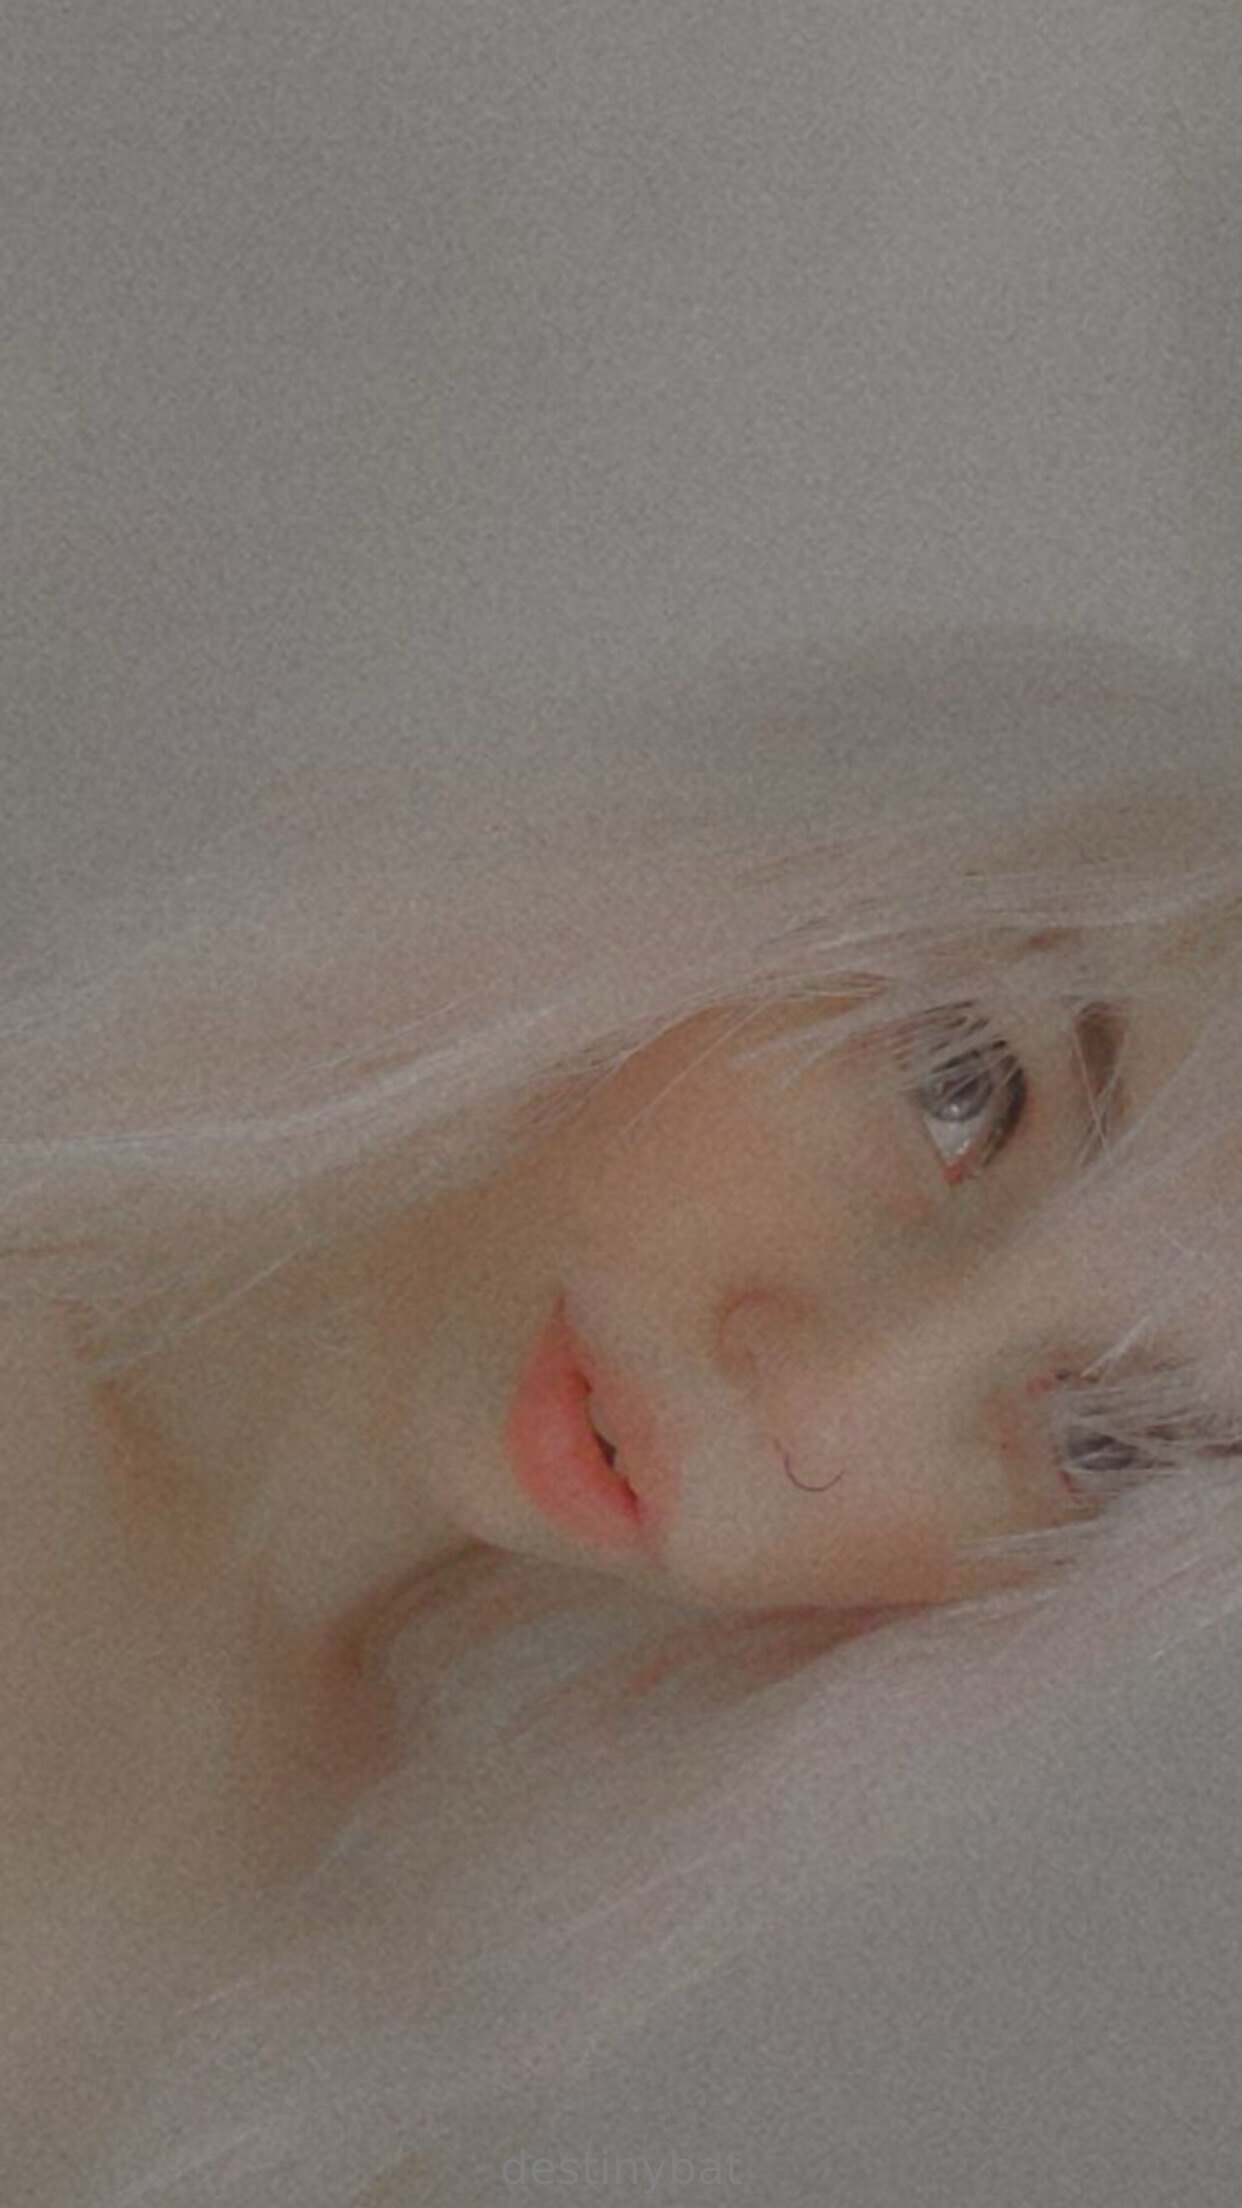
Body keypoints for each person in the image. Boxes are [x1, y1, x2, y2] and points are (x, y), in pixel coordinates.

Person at [3, 628, 1242, 2204]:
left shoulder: (378, 1988)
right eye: (956, 1087)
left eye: (1098, 1443)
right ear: (808, 855)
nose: (817, 1394)